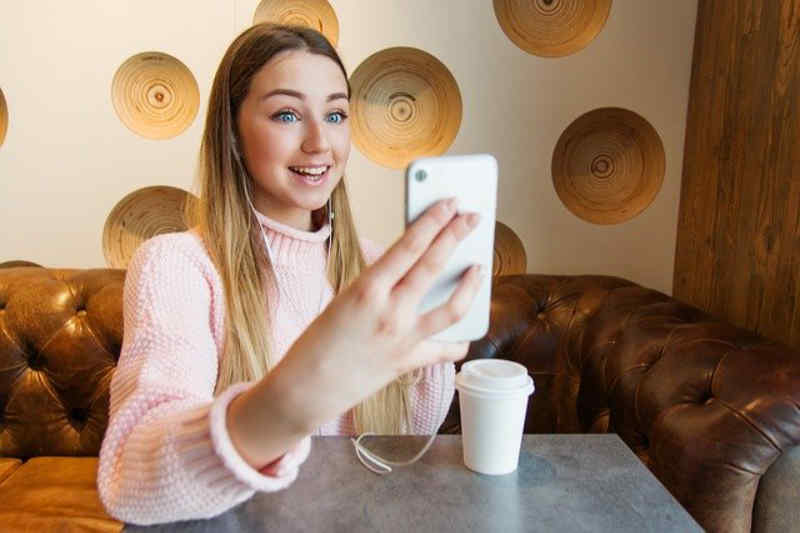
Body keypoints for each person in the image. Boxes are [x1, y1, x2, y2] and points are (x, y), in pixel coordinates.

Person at [97, 23, 483, 525]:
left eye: (336, 114)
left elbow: (401, 451)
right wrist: (303, 390)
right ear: (233, 134)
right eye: (287, 114)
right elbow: (133, 479)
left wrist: (435, 341)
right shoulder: (176, 265)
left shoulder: (377, 272)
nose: (320, 143)